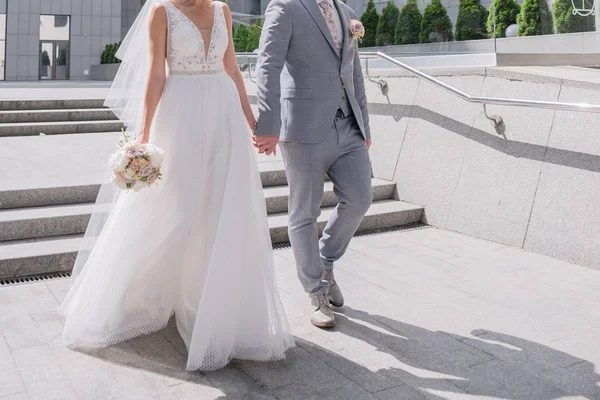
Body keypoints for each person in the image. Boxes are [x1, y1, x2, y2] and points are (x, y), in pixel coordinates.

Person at [58, 0, 294, 371]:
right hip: (180, 114)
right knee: (173, 207)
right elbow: (156, 73)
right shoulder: (161, 12)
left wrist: (254, 123)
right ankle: (144, 292)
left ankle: (214, 305)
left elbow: (231, 67)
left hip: (224, 115)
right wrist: (144, 134)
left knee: (221, 208)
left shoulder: (223, 10)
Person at [254, 0, 373, 328]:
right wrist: (268, 122)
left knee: (361, 197)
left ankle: (325, 261)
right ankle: (315, 291)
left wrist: (364, 124)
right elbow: (268, 64)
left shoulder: (346, 13)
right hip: (303, 127)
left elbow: (354, 73)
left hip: (349, 126)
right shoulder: (285, 7)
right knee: (304, 212)